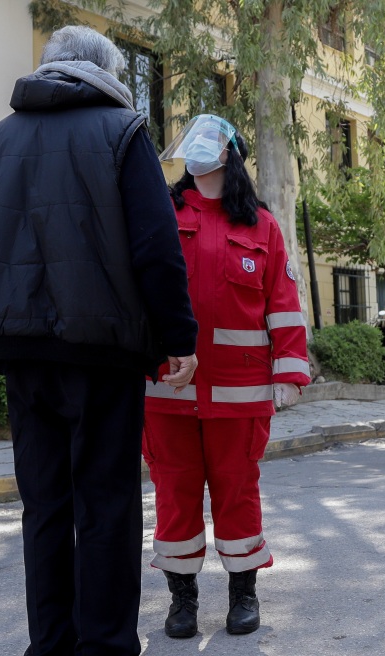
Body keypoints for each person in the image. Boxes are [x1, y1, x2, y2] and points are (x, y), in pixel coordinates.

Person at [0, 26, 198, 656]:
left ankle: (49, 645)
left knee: (45, 506)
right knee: (105, 503)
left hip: (21, 352)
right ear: (106, 72)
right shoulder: (123, 132)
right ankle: (105, 646)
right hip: (103, 350)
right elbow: (156, 248)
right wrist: (178, 338)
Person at [144, 114, 311, 639]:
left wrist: (289, 371)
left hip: (240, 394)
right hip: (167, 388)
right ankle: (182, 600)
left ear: (230, 155)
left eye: (210, 142)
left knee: (237, 490)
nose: (197, 150)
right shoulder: (160, 213)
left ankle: (243, 593)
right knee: (175, 491)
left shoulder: (262, 226)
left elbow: (283, 304)